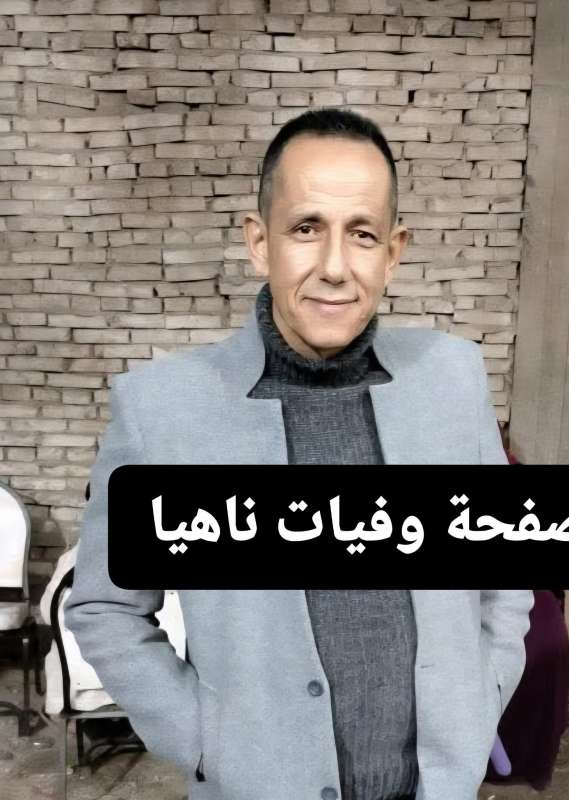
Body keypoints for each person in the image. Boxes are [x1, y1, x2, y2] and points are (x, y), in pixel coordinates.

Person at [64, 108, 534, 800]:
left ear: (394, 251)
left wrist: (481, 697)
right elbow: (106, 608)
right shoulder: (163, 409)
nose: (335, 268)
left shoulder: (453, 377)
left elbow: (505, 570)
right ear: (260, 243)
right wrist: (204, 741)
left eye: (362, 234)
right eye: (307, 228)